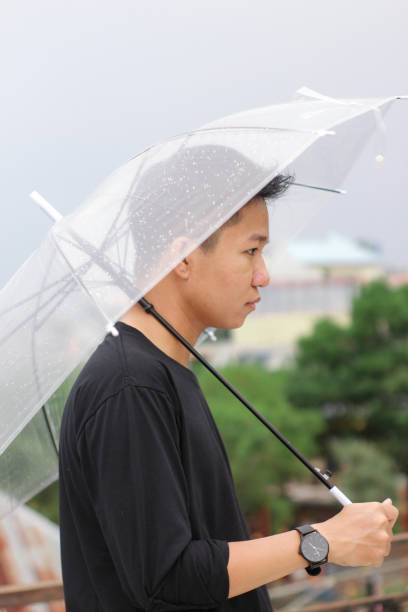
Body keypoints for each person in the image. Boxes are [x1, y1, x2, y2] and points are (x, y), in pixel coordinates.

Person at [59, 165, 398, 611]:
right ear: (183, 257)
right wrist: (321, 541)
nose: (263, 275)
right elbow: (166, 576)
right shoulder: (130, 385)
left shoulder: (167, 372)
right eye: (251, 251)